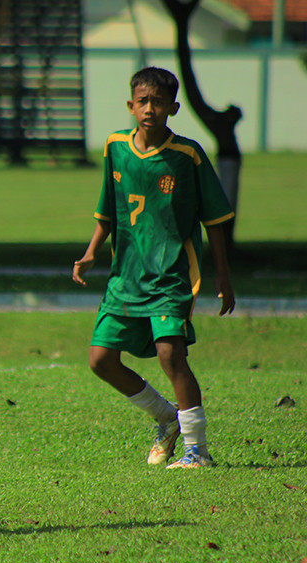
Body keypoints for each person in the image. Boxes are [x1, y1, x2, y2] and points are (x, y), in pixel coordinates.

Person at [72, 66, 235, 469]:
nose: (150, 109)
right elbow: (107, 209)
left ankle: (197, 450)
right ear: (131, 105)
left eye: (159, 102)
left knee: (170, 354)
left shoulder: (188, 156)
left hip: (171, 275)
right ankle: (166, 418)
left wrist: (223, 275)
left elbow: (214, 220)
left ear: (173, 108)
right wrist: (93, 251)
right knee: (100, 359)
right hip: (125, 276)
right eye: (143, 101)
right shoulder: (115, 147)